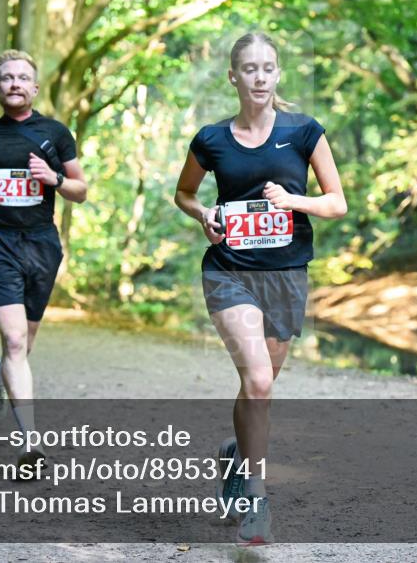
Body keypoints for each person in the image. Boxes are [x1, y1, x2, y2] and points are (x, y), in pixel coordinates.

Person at [174, 32, 347, 545]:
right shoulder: (212, 139)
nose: (260, 77)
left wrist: (295, 202)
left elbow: (336, 202)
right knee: (258, 381)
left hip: (286, 275)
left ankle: (235, 454)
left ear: (278, 74)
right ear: (234, 76)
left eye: (268, 68)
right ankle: (256, 499)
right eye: (249, 69)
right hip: (228, 271)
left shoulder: (304, 132)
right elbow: (184, 193)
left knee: (259, 387)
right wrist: (203, 214)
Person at [0, 49, 87, 469]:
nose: (14, 83)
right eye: (6, 78)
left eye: (21, 78)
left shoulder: (55, 133)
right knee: (14, 340)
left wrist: (54, 178)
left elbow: (81, 189)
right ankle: (30, 444)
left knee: (23, 345)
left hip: (41, 245)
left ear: (34, 87)